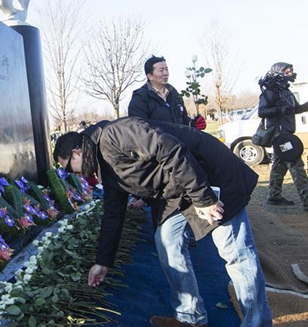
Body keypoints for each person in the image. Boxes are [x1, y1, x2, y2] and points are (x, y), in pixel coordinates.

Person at [53, 118, 272, 327]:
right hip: (180, 191)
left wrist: (204, 199)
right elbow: (113, 212)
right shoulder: (103, 166)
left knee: (236, 253)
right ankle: (190, 316)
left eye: (71, 168)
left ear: (77, 152)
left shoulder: (116, 134)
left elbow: (171, 149)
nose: (77, 174)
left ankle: (257, 322)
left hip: (211, 176)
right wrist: (103, 261)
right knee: (167, 240)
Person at [128, 55, 207, 214]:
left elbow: (182, 121)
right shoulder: (140, 99)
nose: (165, 73)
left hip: (182, 155)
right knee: (164, 208)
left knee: (187, 203)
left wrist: (193, 124)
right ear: (150, 75)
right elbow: (139, 133)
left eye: (167, 69)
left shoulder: (174, 94)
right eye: (161, 70)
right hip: (160, 161)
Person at [257, 63, 308, 211]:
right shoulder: (270, 92)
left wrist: (303, 107)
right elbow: (262, 111)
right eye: (287, 71)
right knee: (296, 164)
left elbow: (293, 109)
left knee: (279, 166)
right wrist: (280, 109)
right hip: (280, 135)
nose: (291, 73)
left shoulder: (286, 91)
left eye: (291, 71)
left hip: (286, 133)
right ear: (278, 73)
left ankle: (274, 196)